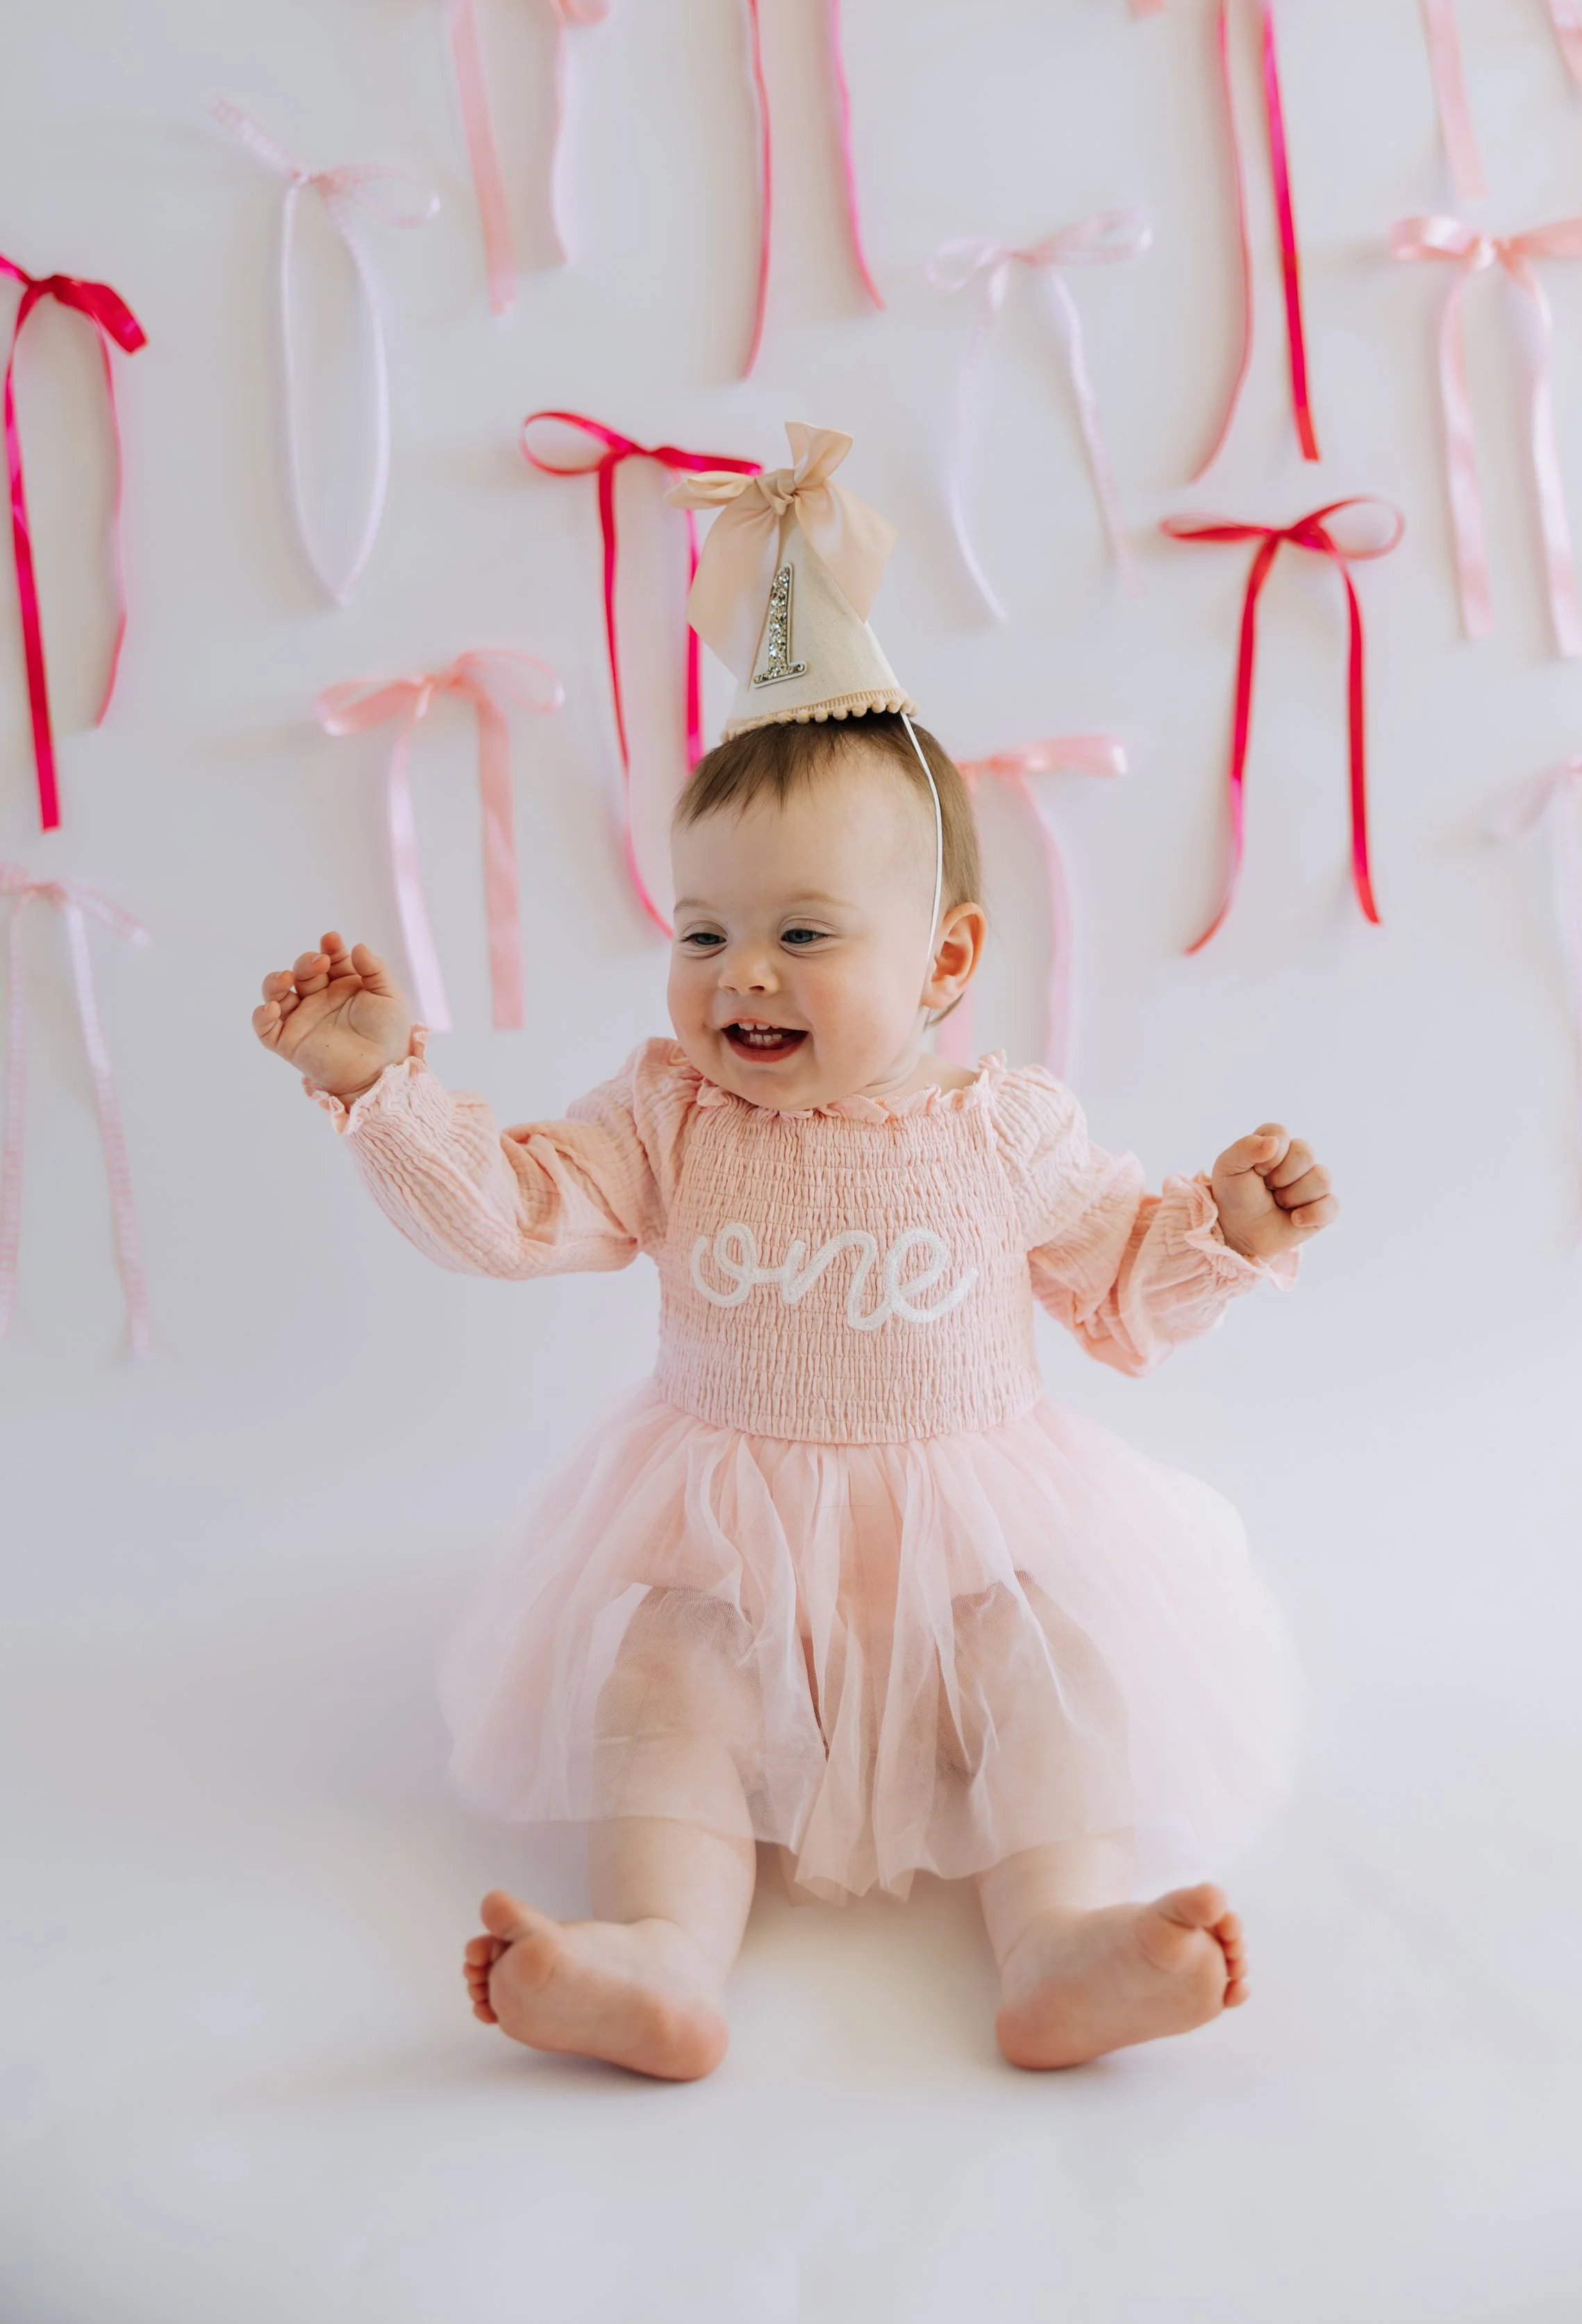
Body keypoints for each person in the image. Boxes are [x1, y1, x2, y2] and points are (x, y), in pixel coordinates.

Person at [252, 428, 1335, 2080]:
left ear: (947, 957)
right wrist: (384, 1092)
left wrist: (1228, 1233)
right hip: (724, 1541)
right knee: (668, 1672)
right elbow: (514, 1215)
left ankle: (1060, 1940)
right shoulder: (671, 1113)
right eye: (703, 933)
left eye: (802, 934)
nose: (739, 976)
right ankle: (661, 1955)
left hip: (968, 1544)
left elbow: (1119, 1286)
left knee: (1051, 1665)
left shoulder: (999, 1128)